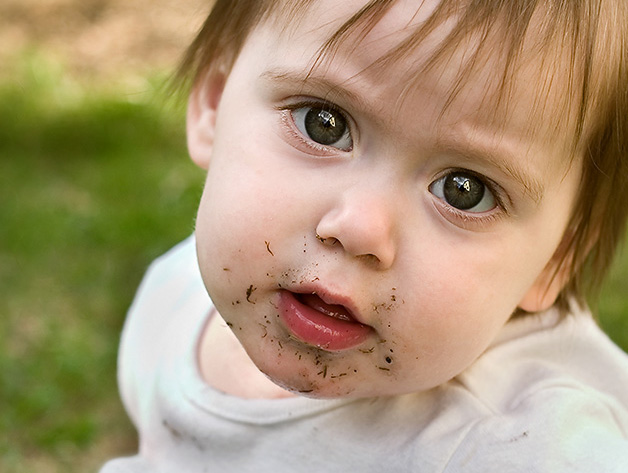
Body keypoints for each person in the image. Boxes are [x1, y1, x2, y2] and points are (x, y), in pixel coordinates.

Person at [100, 0, 628, 471]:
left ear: (557, 257)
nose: (360, 229)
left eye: (464, 191)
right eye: (324, 124)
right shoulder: (176, 295)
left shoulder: (518, 448)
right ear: (214, 102)